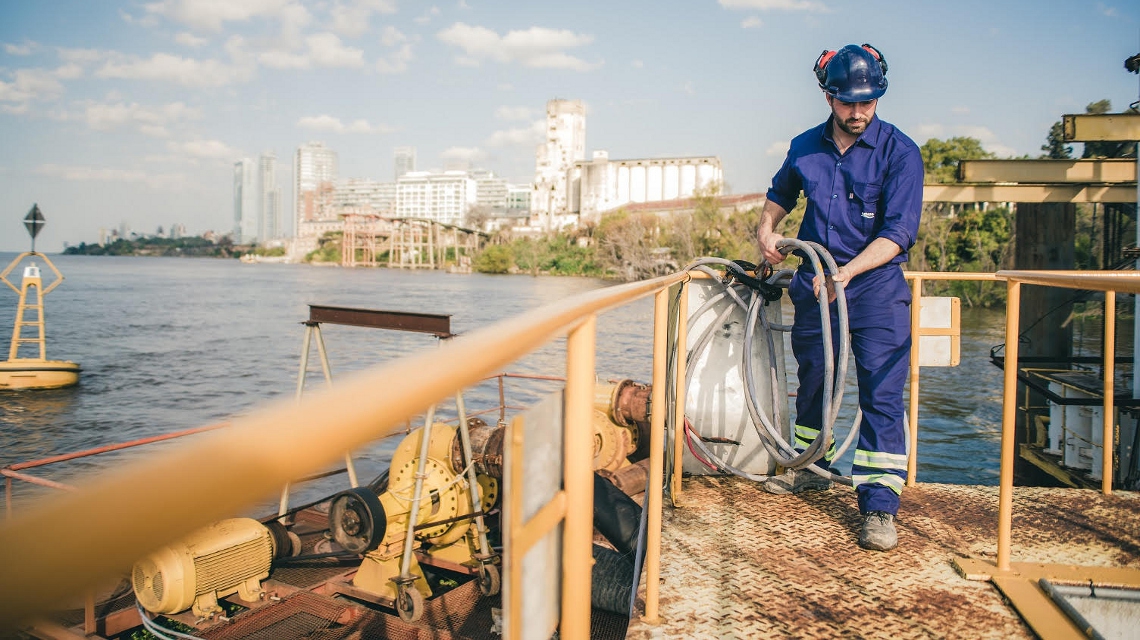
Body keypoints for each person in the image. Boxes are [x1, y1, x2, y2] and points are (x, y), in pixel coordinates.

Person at [756, 43, 924, 551]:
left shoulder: (900, 152)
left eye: (867, 102)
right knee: (815, 379)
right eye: (849, 102)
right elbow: (780, 195)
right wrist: (766, 231)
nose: (858, 112)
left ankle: (878, 505)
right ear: (828, 97)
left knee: (881, 392)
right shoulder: (805, 146)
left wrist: (846, 273)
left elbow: (898, 233)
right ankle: (811, 467)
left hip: (874, 287)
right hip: (816, 284)